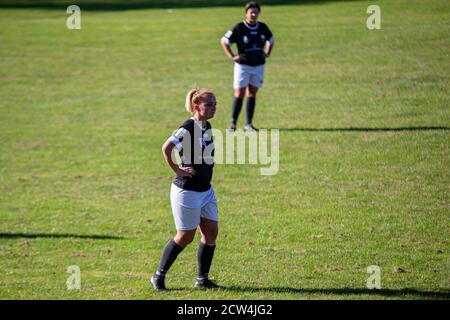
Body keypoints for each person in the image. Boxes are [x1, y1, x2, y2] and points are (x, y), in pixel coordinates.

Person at [150, 88, 220, 290]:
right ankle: (158, 276)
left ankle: (202, 280)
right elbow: (166, 147)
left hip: (206, 190)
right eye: (209, 104)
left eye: (215, 103)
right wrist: (178, 169)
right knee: (185, 236)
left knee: (211, 233)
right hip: (187, 191)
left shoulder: (207, 126)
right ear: (197, 107)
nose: (214, 107)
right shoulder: (188, 126)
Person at [221, 1, 274, 132]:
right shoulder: (239, 28)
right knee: (239, 93)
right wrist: (232, 56)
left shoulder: (262, 27)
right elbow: (224, 41)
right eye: (251, 12)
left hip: (258, 65)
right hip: (243, 66)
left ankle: (248, 124)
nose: (254, 14)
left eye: (256, 12)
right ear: (246, 13)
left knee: (252, 93)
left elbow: (271, 39)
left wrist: (267, 53)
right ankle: (232, 124)